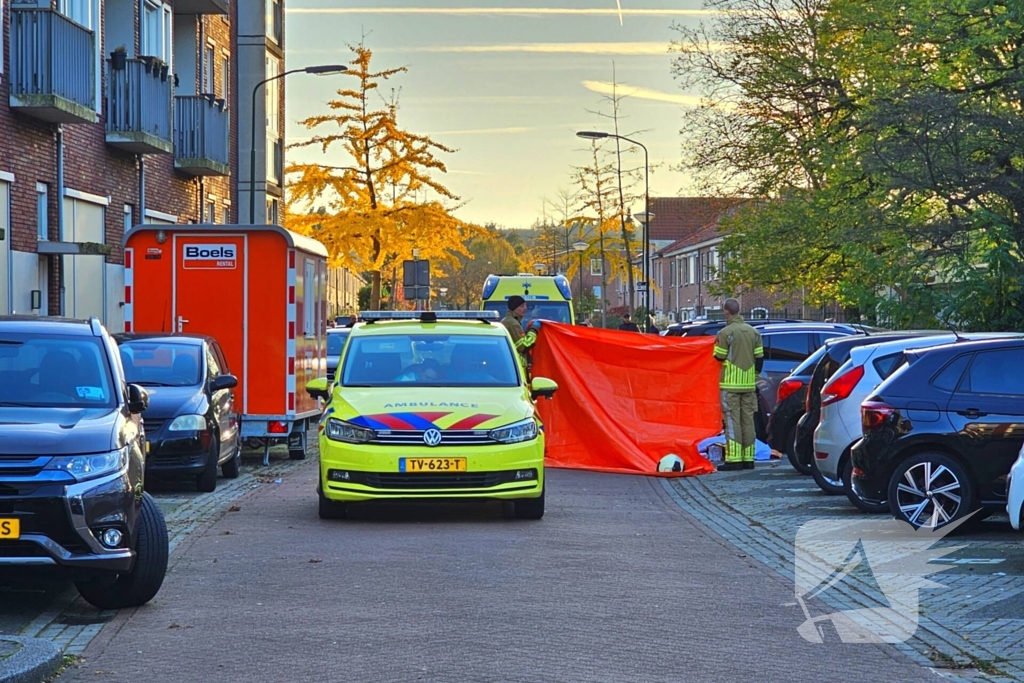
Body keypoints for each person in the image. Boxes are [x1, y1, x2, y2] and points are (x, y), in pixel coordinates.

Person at [713, 298, 764, 471]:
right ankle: (748, 459)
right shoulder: (754, 333)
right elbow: (759, 359)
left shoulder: (725, 333)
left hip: (730, 386)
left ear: (726, 311)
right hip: (749, 385)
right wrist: (752, 376)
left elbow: (719, 356)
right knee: (748, 421)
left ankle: (734, 459)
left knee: (732, 421)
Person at [500, 295, 537, 368]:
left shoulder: (511, 321)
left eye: (525, 305)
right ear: (514, 308)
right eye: (522, 306)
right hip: (517, 367)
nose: (525, 308)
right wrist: (534, 329)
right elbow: (523, 346)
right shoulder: (513, 323)